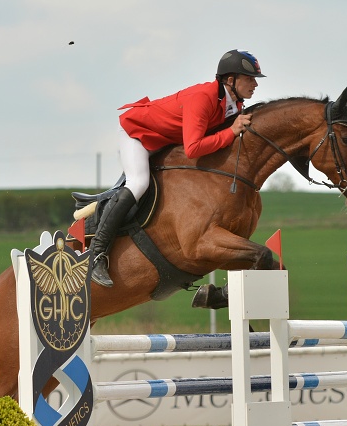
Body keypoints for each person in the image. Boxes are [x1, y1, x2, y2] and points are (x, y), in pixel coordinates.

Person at [89, 49, 266, 287]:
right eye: (249, 78)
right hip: (139, 134)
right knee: (138, 182)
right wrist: (231, 131)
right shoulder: (203, 97)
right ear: (230, 80)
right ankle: (97, 254)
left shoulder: (234, 104)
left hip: (169, 142)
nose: (255, 83)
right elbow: (193, 148)